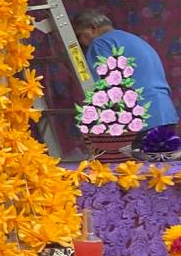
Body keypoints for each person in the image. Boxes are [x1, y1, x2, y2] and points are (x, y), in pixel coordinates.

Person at [75, 9, 179, 155]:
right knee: (164, 165)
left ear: (92, 28)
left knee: (134, 166)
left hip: (142, 120)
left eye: (79, 35)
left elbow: (103, 87)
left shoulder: (100, 44)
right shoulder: (132, 39)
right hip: (165, 115)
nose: (80, 42)